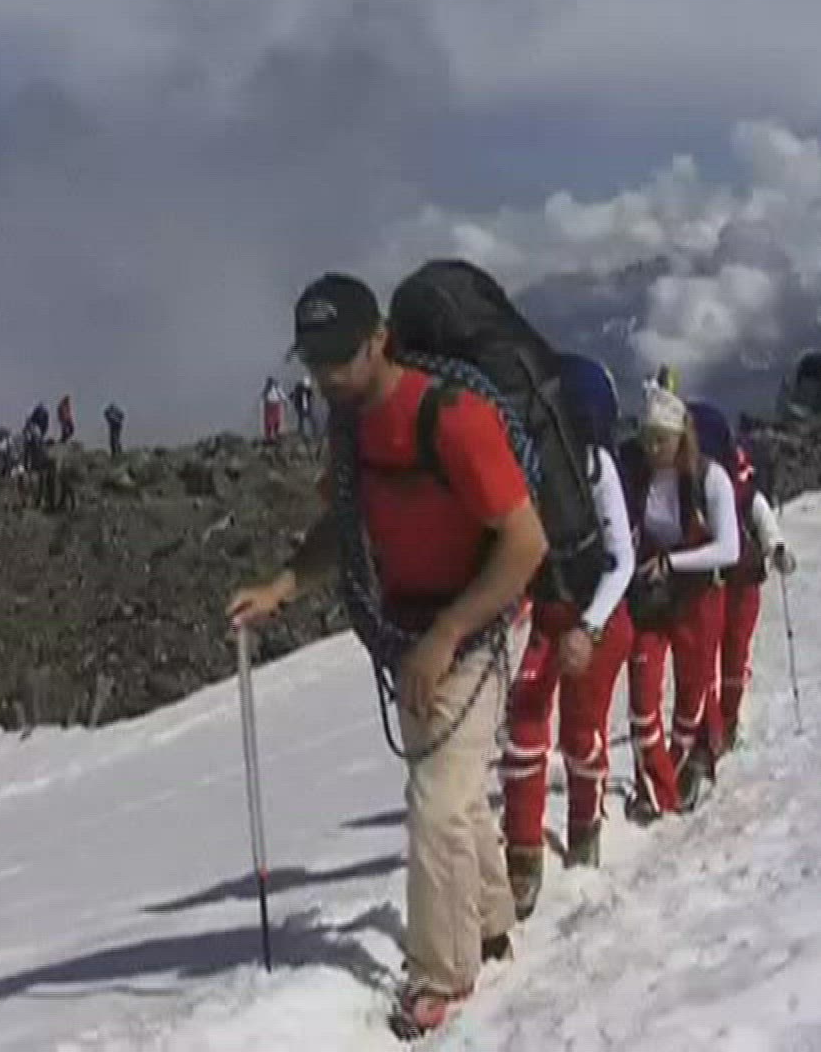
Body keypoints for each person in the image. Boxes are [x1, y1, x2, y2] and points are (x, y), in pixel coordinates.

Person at [227, 273, 548, 1037]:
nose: (327, 376)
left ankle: (442, 975)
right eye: (314, 362)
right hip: (413, 630)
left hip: (479, 623)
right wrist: (281, 586)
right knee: (450, 788)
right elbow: (347, 522)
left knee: (435, 802)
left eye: (340, 357)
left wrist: (446, 635)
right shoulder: (353, 429)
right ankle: (491, 919)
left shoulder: (454, 417)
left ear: (379, 339)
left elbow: (525, 542)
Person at [500, 356, 635, 918]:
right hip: (553, 615)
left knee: (582, 732)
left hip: (592, 619)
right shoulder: (536, 465)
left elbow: (622, 559)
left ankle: (585, 826)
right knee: (524, 724)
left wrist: (589, 626)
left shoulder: (596, 469)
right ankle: (524, 851)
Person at [619, 386, 739, 823]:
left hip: (698, 597)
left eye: (661, 440)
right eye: (647, 439)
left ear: (681, 437)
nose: (652, 449)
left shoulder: (710, 478)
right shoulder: (637, 475)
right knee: (643, 692)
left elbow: (729, 548)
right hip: (653, 598)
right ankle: (657, 784)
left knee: (692, 691)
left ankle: (680, 768)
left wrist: (673, 562)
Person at [719, 443, 797, 753]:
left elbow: (771, 536)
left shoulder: (747, 500)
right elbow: (771, 537)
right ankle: (723, 718)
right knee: (731, 652)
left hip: (734, 586)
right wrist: (778, 554)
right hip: (736, 585)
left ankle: (726, 719)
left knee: (732, 651)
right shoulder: (749, 497)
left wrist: (778, 552)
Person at [291, 375, 318, 439]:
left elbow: (291, 397)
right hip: (303, 407)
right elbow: (312, 397)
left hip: (303, 407)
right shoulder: (300, 391)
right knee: (306, 420)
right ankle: (309, 432)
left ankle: (305, 432)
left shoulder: (301, 391)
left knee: (303, 420)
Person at [261, 377, 286, 444]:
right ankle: (270, 436)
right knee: (271, 422)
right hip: (271, 405)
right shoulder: (272, 388)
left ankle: (272, 436)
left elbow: (283, 397)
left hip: (272, 405)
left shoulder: (274, 388)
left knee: (274, 421)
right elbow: (283, 397)